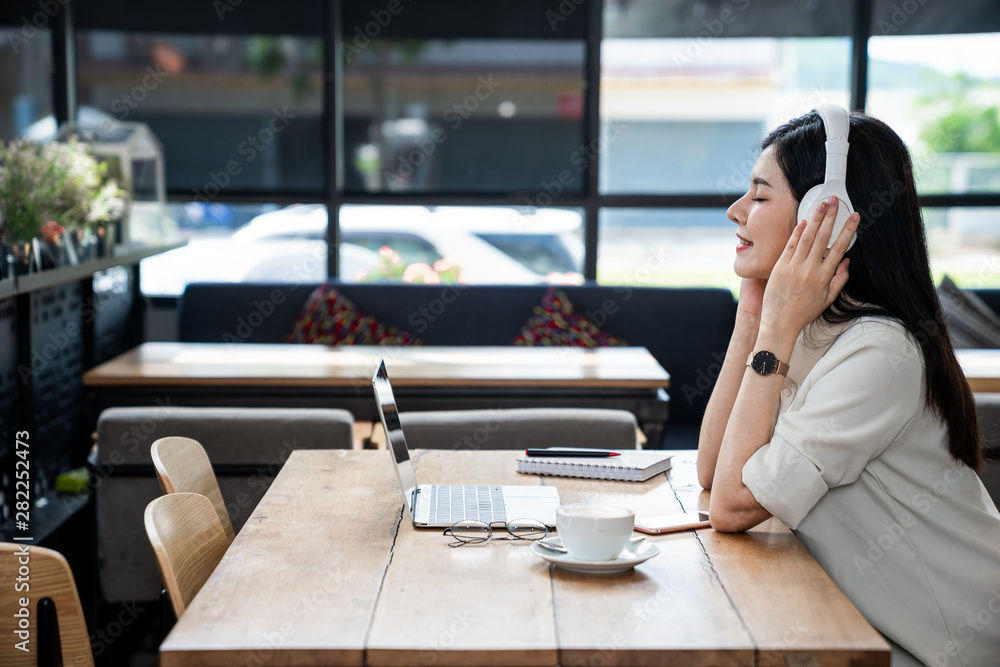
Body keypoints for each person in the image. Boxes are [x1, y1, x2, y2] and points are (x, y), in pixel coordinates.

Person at [697, 107, 1000, 667]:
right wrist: (754, 322)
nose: (736, 211)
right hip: (872, 623)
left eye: (760, 197)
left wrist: (774, 333)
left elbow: (734, 508)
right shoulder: (813, 328)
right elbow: (714, 475)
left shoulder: (879, 353)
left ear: (826, 217)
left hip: (946, 646)